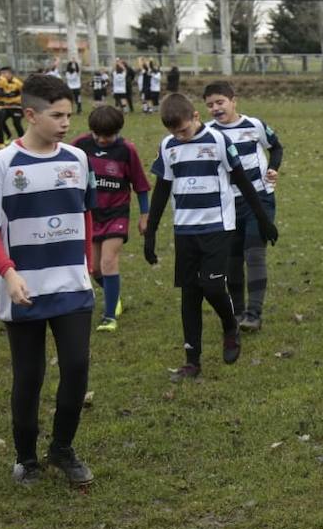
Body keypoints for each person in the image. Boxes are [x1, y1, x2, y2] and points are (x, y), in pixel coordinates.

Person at [0, 73, 97, 484]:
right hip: (23, 289)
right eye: (57, 115)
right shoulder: (5, 162)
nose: (65, 123)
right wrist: (8, 273)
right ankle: (26, 458)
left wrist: (87, 262)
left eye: (68, 115)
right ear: (30, 115)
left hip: (72, 285)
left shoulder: (77, 159)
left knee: (77, 367)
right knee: (30, 376)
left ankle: (62, 449)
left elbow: (86, 212)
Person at [143, 93, 277, 380]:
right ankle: (192, 361)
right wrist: (150, 232)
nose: (179, 136)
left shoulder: (218, 141)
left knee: (214, 287)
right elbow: (162, 190)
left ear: (195, 117)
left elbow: (242, 181)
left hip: (217, 227)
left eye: (183, 130)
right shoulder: (168, 146)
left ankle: (230, 326)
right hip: (184, 231)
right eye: (173, 132)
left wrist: (264, 220)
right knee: (190, 295)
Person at [203, 81, 283, 330]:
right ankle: (237, 313)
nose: (216, 108)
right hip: (227, 204)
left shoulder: (254, 125)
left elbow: (276, 147)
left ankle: (254, 314)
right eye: (210, 105)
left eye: (220, 102)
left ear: (233, 101)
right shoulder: (207, 133)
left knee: (254, 253)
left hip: (259, 199)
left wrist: (273, 168)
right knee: (232, 259)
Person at [73, 106, 151, 331]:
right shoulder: (79, 145)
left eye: (109, 135)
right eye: (98, 135)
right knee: (95, 269)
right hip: (90, 214)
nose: (103, 140)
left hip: (117, 213)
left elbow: (141, 186)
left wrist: (144, 215)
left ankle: (109, 318)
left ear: (118, 130)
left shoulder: (127, 150)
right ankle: (113, 295)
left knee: (109, 262)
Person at [3, 66, 25, 138]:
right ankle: (8, 135)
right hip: (7, 106)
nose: (3, 75)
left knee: (16, 123)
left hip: (17, 107)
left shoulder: (18, 83)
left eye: (5, 73)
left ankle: (22, 139)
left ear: (11, 74)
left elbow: (24, 94)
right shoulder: (1, 82)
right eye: (2, 73)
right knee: (0, 121)